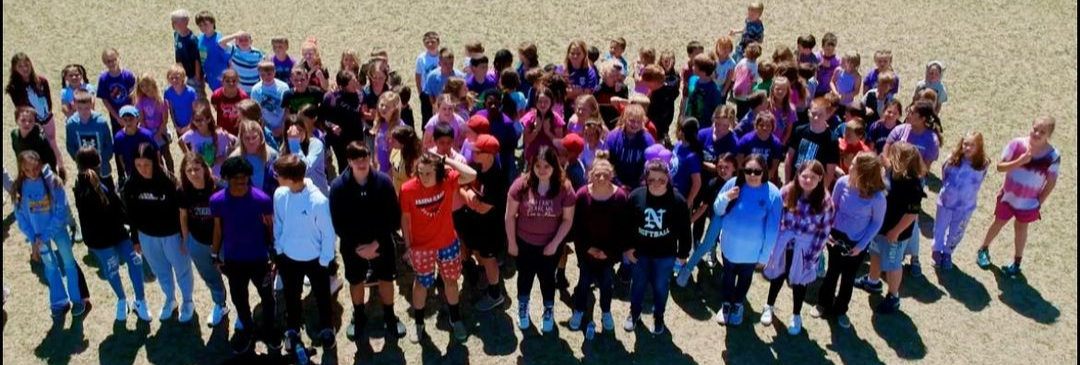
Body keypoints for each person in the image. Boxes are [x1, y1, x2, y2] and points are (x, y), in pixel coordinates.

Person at [328, 142, 406, 342]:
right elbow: (338, 223)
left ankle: (389, 314)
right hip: (353, 246)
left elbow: (393, 217)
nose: (361, 162)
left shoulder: (383, 182)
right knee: (355, 280)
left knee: (387, 279)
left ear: (370, 157)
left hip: (381, 243)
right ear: (348, 161)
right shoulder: (338, 187)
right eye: (356, 158)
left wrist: (376, 244)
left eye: (365, 157)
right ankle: (359, 314)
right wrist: (358, 248)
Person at [400, 152, 477, 343]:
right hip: (421, 247)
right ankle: (419, 323)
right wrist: (409, 247)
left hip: (447, 243)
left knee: (451, 282)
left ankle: (455, 318)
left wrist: (446, 159)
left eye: (428, 173)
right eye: (420, 173)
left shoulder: (448, 181)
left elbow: (472, 175)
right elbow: (405, 218)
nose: (423, 178)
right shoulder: (408, 189)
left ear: (438, 171)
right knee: (422, 284)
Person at [700, 154, 781, 326]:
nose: (752, 175)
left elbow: (772, 229)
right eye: (748, 171)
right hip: (729, 246)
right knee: (728, 276)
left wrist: (764, 257)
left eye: (757, 171)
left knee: (745, 279)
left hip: (752, 252)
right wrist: (726, 197)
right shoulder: (733, 184)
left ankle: (738, 305)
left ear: (764, 171)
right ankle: (726, 304)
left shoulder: (773, 193)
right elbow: (717, 209)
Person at [73, 147, 151, 322]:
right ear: (98, 164)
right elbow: (119, 210)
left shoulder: (83, 186)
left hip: (109, 237)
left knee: (115, 269)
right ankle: (131, 300)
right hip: (109, 237)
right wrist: (134, 223)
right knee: (134, 263)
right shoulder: (89, 187)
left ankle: (131, 301)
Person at [211, 156, 277, 354]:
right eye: (235, 178)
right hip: (234, 261)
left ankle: (269, 330)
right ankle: (247, 330)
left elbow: (270, 228)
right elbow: (217, 230)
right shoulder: (217, 201)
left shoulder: (262, 200)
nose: (241, 181)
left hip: (259, 259)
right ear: (227, 178)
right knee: (239, 299)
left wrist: (273, 254)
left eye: (244, 177)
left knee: (267, 297)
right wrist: (215, 254)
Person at [977, 116, 1059, 276]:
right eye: (1035, 129)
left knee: (1021, 229)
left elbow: (1051, 182)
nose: (1036, 133)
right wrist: (1019, 162)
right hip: (1007, 197)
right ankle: (983, 249)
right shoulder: (1017, 144)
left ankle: (1016, 263)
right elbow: (1000, 167)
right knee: (998, 222)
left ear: (1048, 135)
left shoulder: (1053, 156)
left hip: (1029, 204)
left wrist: (1039, 202)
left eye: (1042, 132)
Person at [506, 146, 576, 334]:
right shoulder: (521, 185)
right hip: (524, 243)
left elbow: (568, 220)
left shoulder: (564, 188)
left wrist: (554, 244)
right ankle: (523, 307)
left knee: (547, 279)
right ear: (532, 165)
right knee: (525, 277)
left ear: (554, 166)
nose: (542, 170)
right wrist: (511, 242)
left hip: (550, 246)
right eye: (538, 165)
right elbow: (510, 216)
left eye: (546, 166)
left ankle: (548, 309)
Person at [272, 154, 337, 352]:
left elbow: (328, 233)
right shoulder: (280, 194)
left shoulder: (318, 201)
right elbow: (278, 223)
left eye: (278, 174)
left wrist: (325, 260)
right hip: (289, 259)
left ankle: (327, 327)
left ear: (290, 178)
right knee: (292, 296)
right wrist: (280, 249)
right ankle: (293, 329)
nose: (276, 177)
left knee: (322, 295)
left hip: (316, 260)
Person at [123, 145, 195, 322]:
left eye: (146, 165)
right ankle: (170, 299)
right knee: (161, 271)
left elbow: (182, 212)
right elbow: (131, 214)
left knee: (182, 270)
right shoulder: (131, 184)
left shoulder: (169, 182)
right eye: (138, 165)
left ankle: (188, 301)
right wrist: (135, 239)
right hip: (147, 237)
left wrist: (184, 237)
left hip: (172, 236)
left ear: (155, 161)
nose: (143, 169)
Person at [814, 152, 886, 329]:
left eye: (854, 165)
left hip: (856, 243)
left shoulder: (877, 197)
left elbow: (876, 223)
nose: (849, 167)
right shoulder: (842, 182)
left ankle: (840, 310)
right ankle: (823, 303)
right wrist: (828, 230)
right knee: (832, 271)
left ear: (864, 172)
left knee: (848, 277)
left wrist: (861, 246)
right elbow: (833, 207)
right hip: (836, 237)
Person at [761, 161, 833, 335]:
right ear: (798, 175)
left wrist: (812, 257)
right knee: (778, 275)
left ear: (820, 178)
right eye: (804, 176)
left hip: (805, 247)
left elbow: (823, 232)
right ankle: (769, 305)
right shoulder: (786, 191)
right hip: (783, 244)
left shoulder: (825, 201)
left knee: (800, 282)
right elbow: (774, 218)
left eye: (813, 177)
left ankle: (796, 314)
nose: (808, 180)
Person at [13, 151, 87, 317]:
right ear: (22, 170)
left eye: (35, 169)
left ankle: (77, 300)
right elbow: (21, 218)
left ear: (40, 165)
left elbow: (61, 211)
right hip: (38, 238)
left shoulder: (53, 181)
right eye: (27, 170)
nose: (32, 173)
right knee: (50, 266)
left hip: (57, 231)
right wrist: (33, 238)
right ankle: (59, 301)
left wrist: (45, 235)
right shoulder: (19, 188)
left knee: (68, 263)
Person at [855, 142, 926, 314]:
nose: (889, 157)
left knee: (893, 264)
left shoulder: (913, 185)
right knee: (875, 253)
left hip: (895, 234)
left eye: (893, 154)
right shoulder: (891, 172)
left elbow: (912, 214)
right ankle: (873, 281)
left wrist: (896, 231)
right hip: (879, 227)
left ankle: (893, 296)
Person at [623, 159, 692, 335]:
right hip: (640, 254)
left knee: (661, 287)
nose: (656, 183)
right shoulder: (636, 196)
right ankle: (634, 313)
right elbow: (626, 225)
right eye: (651, 179)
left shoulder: (677, 201)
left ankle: (658, 316)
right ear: (646, 179)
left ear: (668, 179)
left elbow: (685, 229)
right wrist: (627, 247)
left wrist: (683, 253)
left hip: (665, 255)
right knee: (637, 285)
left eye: (661, 179)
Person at [568, 152, 628, 338]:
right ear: (590, 174)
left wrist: (609, 252)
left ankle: (605, 312)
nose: (601, 177)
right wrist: (587, 249)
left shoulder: (620, 197)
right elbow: (576, 227)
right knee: (584, 282)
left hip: (608, 254)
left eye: (605, 174)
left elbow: (622, 229)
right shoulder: (582, 195)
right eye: (597, 174)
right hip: (587, 252)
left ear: (612, 175)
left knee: (606, 284)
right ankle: (578, 311)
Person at [455, 135, 510, 312]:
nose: (473, 152)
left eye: (478, 151)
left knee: (489, 259)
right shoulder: (477, 168)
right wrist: (468, 194)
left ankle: (495, 295)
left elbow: (480, 207)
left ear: (489, 155)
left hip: (491, 229)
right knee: (480, 255)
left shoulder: (497, 178)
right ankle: (485, 277)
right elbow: (469, 189)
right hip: (478, 226)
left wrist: (462, 192)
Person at [177, 153, 230, 328]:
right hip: (198, 242)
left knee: (234, 274)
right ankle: (220, 305)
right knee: (210, 277)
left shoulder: (219, 188)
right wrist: (187, 240)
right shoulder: (183, 191)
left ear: (205, 168)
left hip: (223, 243)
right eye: (189, 170)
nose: (193, 174)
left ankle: (241, 309)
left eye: (196, 169)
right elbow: (183, 216)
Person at [933, 132, 989, 269]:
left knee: (957, 231)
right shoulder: (952, 159)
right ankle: (936, 250)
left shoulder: (982, 164)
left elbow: (980, 181)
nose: (968, 148)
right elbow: (944, 174)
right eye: (965, 144)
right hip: (946, 202)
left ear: (979, 147)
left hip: (965, 205)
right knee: (940, 228)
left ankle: (947, 252)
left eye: (972, 145)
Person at [65, 90, 116, 188]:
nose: (84, 111)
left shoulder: (101, 123)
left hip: (102, 169)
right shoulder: (71, 124)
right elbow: (71, 146)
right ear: (74, 105)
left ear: (91, 104)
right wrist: (81, 161)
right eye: (80, 108)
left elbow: (109, 145)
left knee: (108, 197)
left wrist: (101, 160)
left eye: (87, 108)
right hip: (84, 170)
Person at [786, 98, 839, 188]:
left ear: (828, 115)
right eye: (813, 113)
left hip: (814, 187)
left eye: (820, 115)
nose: (816, 117)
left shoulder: (831, 140)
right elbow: (789, 157)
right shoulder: (799, 130)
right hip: (795, 182)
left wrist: (822, 192)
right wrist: (787, 182)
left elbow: (830, 172)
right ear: (808, 112)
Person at [180, 100, 236, 178]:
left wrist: (226, 157)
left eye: (201, 120)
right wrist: (188, 155)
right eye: (196, 120)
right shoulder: (192, 134)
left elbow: (236, 142)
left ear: (208, 119)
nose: (198, 122)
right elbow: (181, 141)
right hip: (201, 175)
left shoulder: (220, 134)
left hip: (218, 174)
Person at [606, 104, 656, 190]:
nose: (635, 125)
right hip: (614, 184)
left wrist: (640, 184)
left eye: (639, 121)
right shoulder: (613, 137)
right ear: (624, 119)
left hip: (639, 185)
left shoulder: (648, 140)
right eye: (632, 121)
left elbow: (651, 165)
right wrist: (618, 184)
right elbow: (607, 162)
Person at [134, 74, 175, 172]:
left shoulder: (161, 101)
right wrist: (149, 135)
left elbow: (165, 120)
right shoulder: (140, 101)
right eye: (142, 86)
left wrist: (159, 133)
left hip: (161, 132)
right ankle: (162, 177)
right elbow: (141, 120)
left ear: (153, 84)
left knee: (167, 155)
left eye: (147, 84)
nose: (145, 88)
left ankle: (172, 175)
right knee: (157, 159)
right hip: (149, 134)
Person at [231, 120, 280, 193]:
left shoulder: (273, 156)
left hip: (270, 200)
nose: (251, 141)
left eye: (254, 137)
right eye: (247, 138)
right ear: (242, 139)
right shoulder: (235, 158)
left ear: (261, 137)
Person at [522, 87, 567, 162]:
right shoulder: (530, 117)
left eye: (546, 101)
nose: (542, 104)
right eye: (540, 101)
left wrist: (548, 132)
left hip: (551, 158)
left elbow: (560, 144)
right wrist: (536, 130)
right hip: (533, 158)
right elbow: (526, 140)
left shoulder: (556, 119)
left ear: (551, 102)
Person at [250, 61, 290, 138]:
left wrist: (283, 127)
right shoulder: (256, 89)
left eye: (269, 74)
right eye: (263, 75)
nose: (266, 77)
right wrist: (265, 129)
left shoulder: (284, 87)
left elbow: (287, 109)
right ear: (259, 74)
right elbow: (255, 112)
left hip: (282, 126)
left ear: (274, 72)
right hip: (264, 128)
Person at [195, 11, 230, 91]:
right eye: (200, 25)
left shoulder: (219, 39)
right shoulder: (200, 39)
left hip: (221, 78)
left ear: (213, 23)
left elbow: (229, 60)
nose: (203, 27)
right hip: (210, 77)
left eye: (206, 24)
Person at [210, 69, 250, 135]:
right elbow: (215, 108)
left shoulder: (243, 96)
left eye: (234, 81)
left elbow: (246, 114)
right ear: (222, 82)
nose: (231, 83)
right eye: (227, 81)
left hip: (239, 131)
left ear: (238, 81)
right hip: (223, 131)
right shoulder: (216, 95)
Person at [415, 32, 442, 124]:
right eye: (427, 42)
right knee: (426, 118)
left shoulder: (442, 56)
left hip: (439, 92)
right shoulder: (421, 58)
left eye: (433, 41)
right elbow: (418, 75)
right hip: (426, 93)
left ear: (438, 42)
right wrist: (420, 92)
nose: (430, 44)